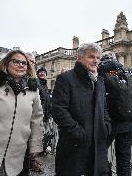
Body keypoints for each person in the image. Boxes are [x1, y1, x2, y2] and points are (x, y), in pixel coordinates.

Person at [52, 43, 111, 176]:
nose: (96, 61)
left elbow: (104, 107)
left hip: (97, 145)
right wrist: (78, 133)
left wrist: (106, 127)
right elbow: (59, 110)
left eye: (97, 57)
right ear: (79, 58)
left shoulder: (100, 81)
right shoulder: (66, 78)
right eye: (91, 57)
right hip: (74, 145)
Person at [98, 52, 132, 176]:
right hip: (129, 123)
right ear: (115, 59)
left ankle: (106, 172)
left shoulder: (99, 73)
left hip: (106, 123)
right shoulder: (131, 72)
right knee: (124, 159)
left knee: (98, 153)